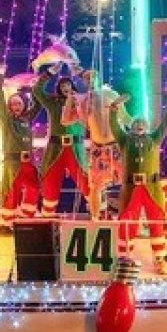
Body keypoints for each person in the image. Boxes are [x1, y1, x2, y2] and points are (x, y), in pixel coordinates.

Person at [110, 89, 167, 273]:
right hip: (132, 189)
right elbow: (114, 126)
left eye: (142, 122)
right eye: (136, 122)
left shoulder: (154, 139)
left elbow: (165, 124)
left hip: (152, 189)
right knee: (127, 223)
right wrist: (114, 108)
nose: (139, 124)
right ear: (131, 126)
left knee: (156, 222)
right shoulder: (124, 140)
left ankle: (159, 260)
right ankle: (124, 258)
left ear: (147, 127)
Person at [61, 68, 131, 219]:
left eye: (93, 77)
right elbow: (66, 120)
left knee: (128, 181)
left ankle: (128, 216)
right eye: (87, 78)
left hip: (115, 146)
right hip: (98, 148)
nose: (91, 80)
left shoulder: (111, 94)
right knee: (95, 186)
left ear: (99, 79)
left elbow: (125, 118)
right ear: (84, 82)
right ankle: (95, 219)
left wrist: (142, 130)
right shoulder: (83, 100)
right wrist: (69, 99)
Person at [32, 68, 90, 215]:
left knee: (87, 182)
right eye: (62, 86)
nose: (65, 88)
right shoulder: (52, 102)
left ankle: (99, 214)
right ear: (59, 89)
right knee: (49, 183)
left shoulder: (82, 100)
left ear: (72, 87)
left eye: (68, 85)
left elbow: (95, 94)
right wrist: (49, 73)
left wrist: (83, 75)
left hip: (75, 148)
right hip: (55, 148)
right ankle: (47, 218)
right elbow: (37, 90)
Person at [0, 81, 40, 222]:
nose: (16, 106)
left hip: (28, 161)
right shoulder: (7, 120)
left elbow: (38, 104)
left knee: (34, 186)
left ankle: (27, 213)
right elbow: (1, 106)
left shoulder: (27, 118)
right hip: (13, 161)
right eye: (13, 104)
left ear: (23, 105)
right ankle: (7, 220)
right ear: (10, 106)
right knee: (12, 190)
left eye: (19, 104)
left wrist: (33, 90)